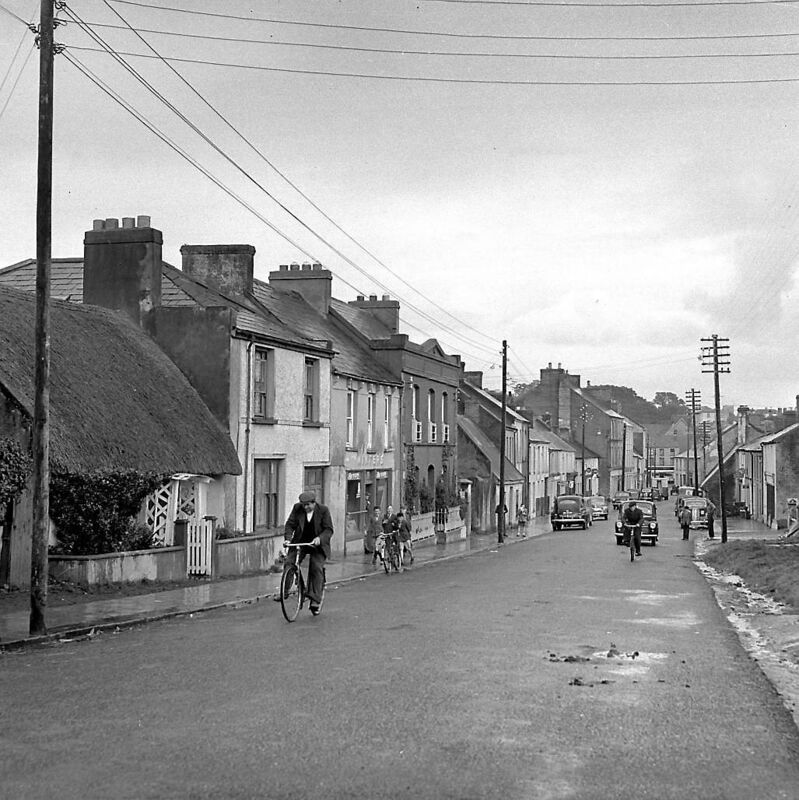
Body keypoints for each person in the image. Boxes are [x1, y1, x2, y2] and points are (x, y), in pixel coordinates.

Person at [276, 491, 334, 615]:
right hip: (300, 542)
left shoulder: (323, 510)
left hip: (317, 545)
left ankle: (315, 600)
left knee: (316, 566)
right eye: (303, 505)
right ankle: (284, 591)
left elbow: (328, 529)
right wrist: (287, 539)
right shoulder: (298, 508)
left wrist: (320, 538)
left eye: (308, 505)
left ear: (314, 503)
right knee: (289, 563)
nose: (305, 507)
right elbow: (290, 524)